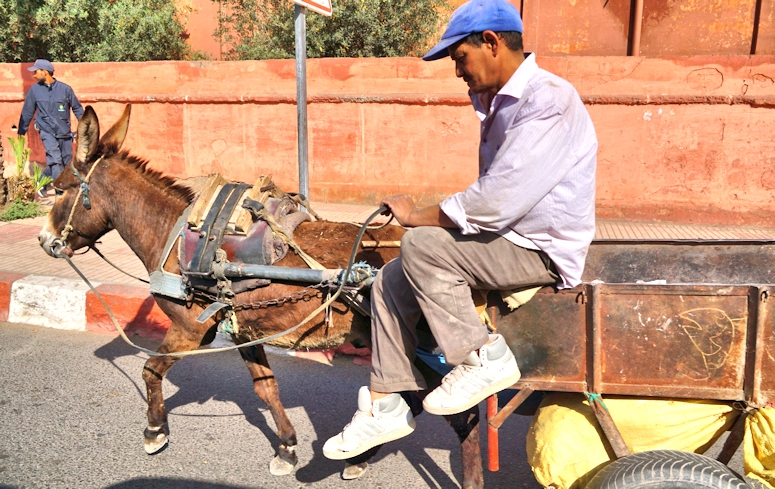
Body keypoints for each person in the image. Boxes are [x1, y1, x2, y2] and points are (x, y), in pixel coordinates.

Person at [322, 0, 598, 460]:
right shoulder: (501, 101)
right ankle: (387, 402)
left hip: (539, 250)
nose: (457, 71)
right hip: (508, 237)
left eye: (459, 57)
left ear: (490, 43)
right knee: (392, 277)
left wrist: (416, 215)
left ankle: (485, 357)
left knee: (422, 244)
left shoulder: (547, 100)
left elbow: (493, 202)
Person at [17, 59, 83, 193]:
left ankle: (41, 181)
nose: (34, 75)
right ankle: (60, 193)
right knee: (55, 160)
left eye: (36, 71)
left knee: (65, 163)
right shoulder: (35, 90)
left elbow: (77, 109)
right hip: (46, 131)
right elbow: (28, 111)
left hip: (64, 132)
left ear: (45, 72)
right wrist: (21, 130)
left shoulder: (65, 89)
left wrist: (83, 128)